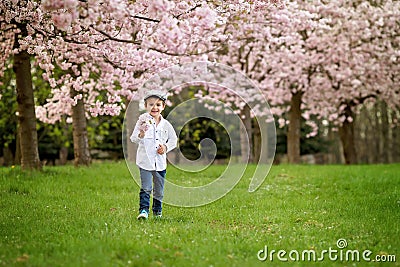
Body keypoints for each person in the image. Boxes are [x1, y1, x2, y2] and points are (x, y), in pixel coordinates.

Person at [130, 91, 177, 220]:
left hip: (160, 163)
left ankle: (157, 213)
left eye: (158, 105)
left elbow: (173, 140)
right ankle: (143, 211)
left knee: (159, 190)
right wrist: (141, 134)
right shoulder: (142, 122)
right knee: (146, 187)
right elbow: (133, 138)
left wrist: (165, 147)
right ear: (146, 106)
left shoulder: (166, 125)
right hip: (145, 162)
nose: (154, 107)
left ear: (163, 107)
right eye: (151, 104)